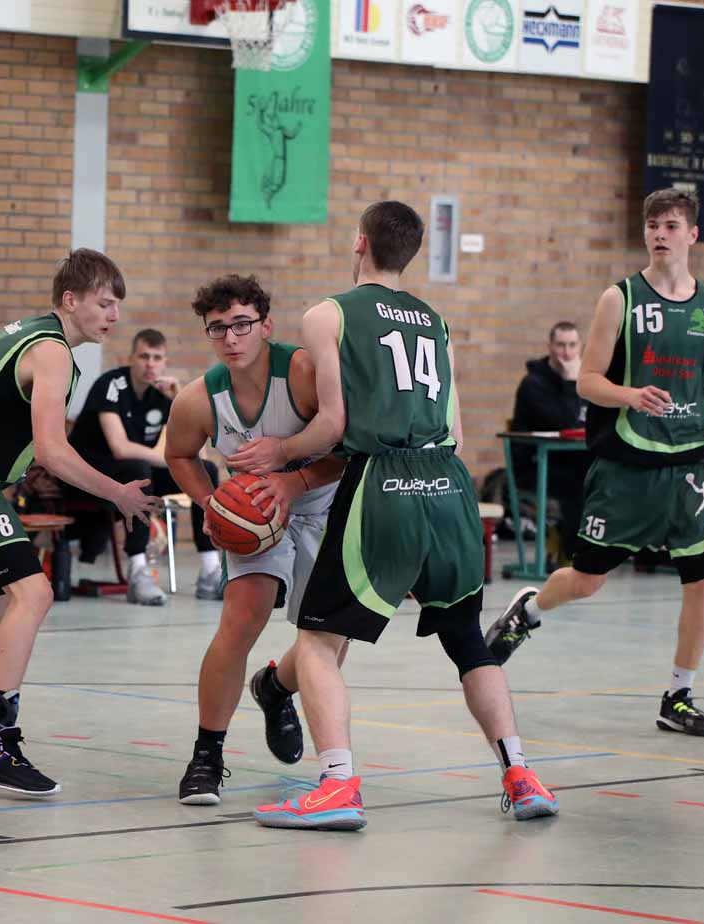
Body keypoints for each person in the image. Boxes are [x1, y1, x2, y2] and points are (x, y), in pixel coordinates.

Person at [235, 202, 558, 831]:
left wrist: (280, 452)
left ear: (359, 242)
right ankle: (521, 776)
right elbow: (456, 429)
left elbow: (333, 424)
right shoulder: (436, 321)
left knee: (319, 639)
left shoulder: (328, 314)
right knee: (468, 640)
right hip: (449, 485)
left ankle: (337, 785)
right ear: (410, 253)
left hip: (382, 483)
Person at [485, 188, 704, 738]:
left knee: (703, 580)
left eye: (671, 225)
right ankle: (528, 611)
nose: (660, 234)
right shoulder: (620, 299)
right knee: (586, 581)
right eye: (652, 225)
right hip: (628, 464)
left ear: (692, 234)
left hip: (692, 463)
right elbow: (588, 381)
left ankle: (678, 696)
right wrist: (632, 395)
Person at [0, 249, 159, 796]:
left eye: (118, 305)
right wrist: (117, 493)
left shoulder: (30, 335)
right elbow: (52, 451)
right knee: (34, 594)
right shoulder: (52, 348)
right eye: (104, 303)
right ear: (70, 299)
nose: (114, 315)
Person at [163, 274, 349, 806]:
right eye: (217, 328)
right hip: (256, 517)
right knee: (240, 620)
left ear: (266, 326)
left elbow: (351, 447)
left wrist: (294, 480)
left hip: (322, 505)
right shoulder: (199, 399)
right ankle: (206, 756)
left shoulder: (303, 374)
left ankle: (276, 688)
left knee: (328, 638)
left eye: (242, 324)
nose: (230, 337)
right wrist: (210, 503)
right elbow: (178, 454)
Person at [67, 329, 223, 605]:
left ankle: (211, 571)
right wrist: (171, 459)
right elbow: (121, 448)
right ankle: (138, 571)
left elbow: (197, 453)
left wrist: (178, 401)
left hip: (134, 473)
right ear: (130, 359)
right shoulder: (111, 384)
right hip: (89, 476)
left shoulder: (160, 396)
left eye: (157, 358)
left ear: (164, 363)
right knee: (139, 470)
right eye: (144, 357)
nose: (150, 364)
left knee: (207, 471)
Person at [509, 321, 593, 560]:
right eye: (560, 345)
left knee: (604, 475)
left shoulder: (587, 379)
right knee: (578, 485)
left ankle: (592, 548)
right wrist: (570, 381)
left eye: (572, 345)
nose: (566, 352)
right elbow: (567, 422)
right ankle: (573, 554)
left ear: (580, 347)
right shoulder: (533, 384)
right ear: (549, 346)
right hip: (536, 466)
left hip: (574, 460)